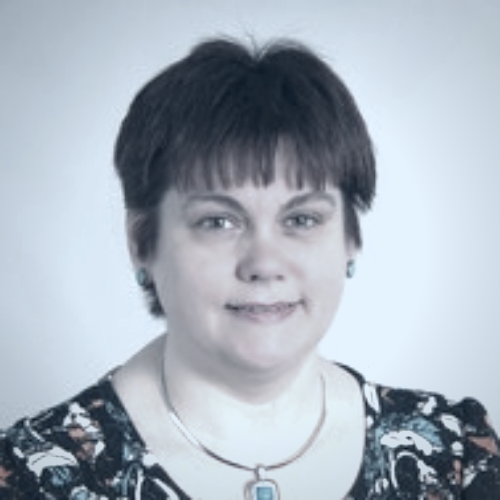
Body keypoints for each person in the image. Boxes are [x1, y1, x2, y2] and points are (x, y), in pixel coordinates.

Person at [1, 36, 499, 500]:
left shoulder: (454, 454)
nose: (265, 264)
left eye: (302, 219)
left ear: (351, 241)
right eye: (218, 221)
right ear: (141, 244)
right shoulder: (33, 474)